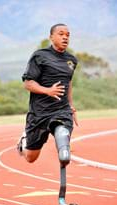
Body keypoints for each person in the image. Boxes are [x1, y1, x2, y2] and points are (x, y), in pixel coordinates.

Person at [17, 23, 78, 165]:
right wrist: (47, 91)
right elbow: (28, 83)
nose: (65, 37)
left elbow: (68, 83)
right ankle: (24, 140)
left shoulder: (72, 60)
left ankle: (64, 153)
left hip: (61, 110)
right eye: (61, 34)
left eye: (67, 35)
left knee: (62, 133)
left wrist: (70, 105)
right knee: (31, 158)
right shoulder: (40, 56)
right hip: (39, 112)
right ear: (51, 37)